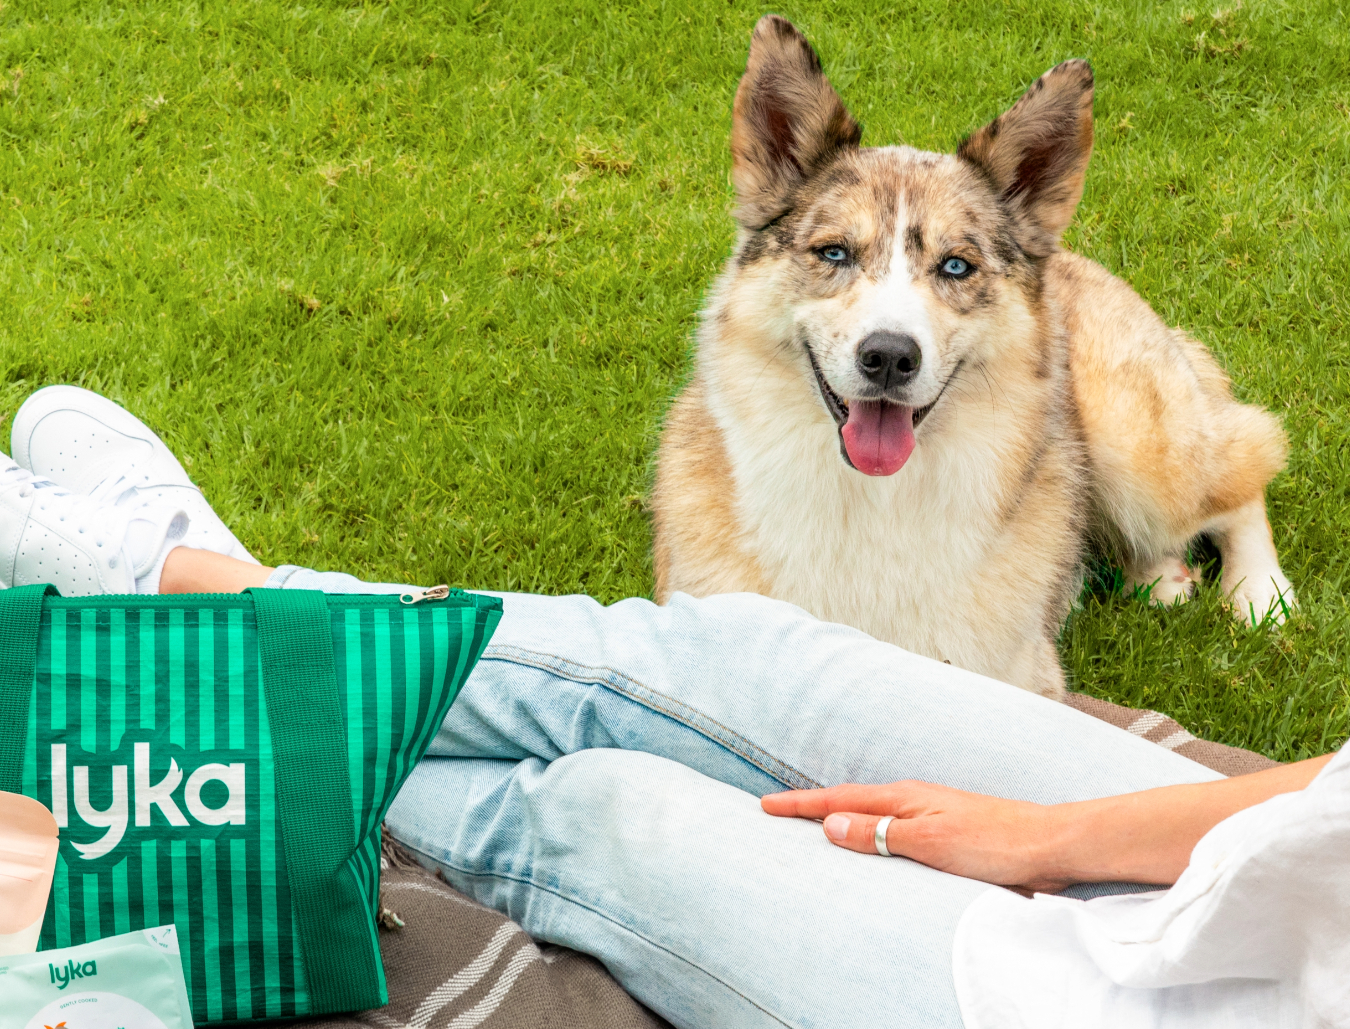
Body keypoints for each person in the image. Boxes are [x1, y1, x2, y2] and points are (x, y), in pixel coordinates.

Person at [1, 385, 1345, 1028]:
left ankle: (180, 629)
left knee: (607, 810)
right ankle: (191, 586)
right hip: (1284, 862)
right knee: (742, 658)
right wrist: (1045, 845)